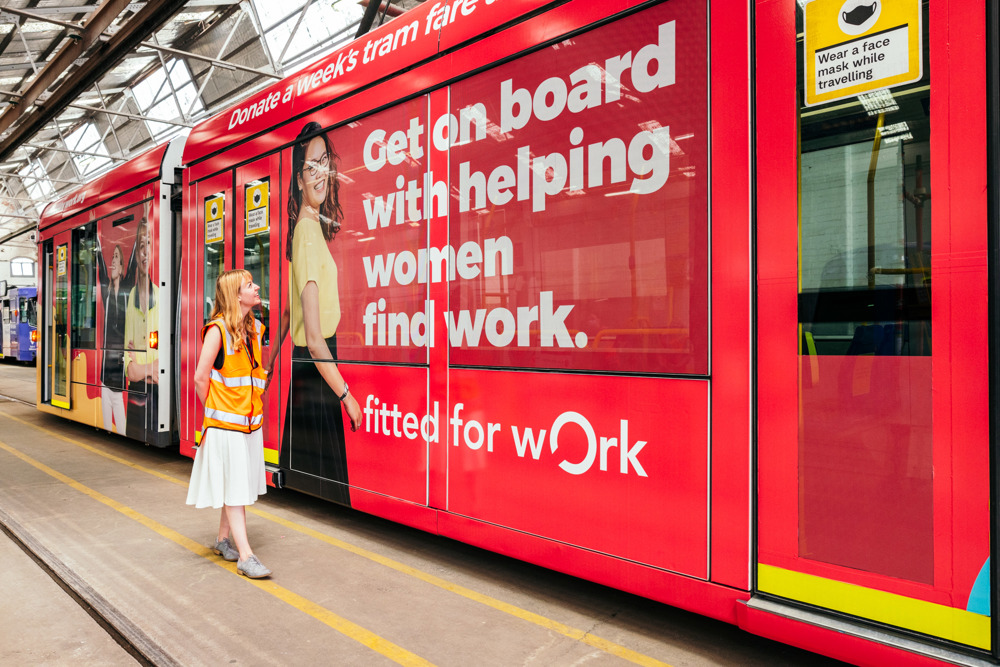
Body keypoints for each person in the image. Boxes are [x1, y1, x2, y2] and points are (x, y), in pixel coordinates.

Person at [268, 121, 361, 506]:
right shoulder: (307, 232)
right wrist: (346, 395)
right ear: (299, 179)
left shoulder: (308, 229)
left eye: (324, 162)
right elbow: (315, 338)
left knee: (311, 489)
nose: (320, 172)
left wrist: (269, 363)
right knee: (326, 489)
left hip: (309, 370)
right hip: (319, 372)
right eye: (311, 166)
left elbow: (289, 311)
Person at [186, 269, 271, 579]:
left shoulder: (254, 329)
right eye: (249, 284)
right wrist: (216, 411)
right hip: (226, 426)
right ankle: (246, 556)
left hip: (249, 425)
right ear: (237, 295)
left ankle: (223, 540)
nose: (257, 287)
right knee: (236, 489)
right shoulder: (217, 330)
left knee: (236, 484)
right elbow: (200, 377)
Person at [123, 214, 159, 441]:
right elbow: (129, 368)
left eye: (149, 244)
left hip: (157, 397)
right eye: (141, 245)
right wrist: (148, 368)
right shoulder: (130, 298)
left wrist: (140, 367)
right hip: (135, 395)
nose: (145, 251)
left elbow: (162, 369)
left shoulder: (162, 296)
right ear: (136, 254)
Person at [98, 241, 132, 435]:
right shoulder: (107, 292)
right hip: (106, 371)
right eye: (111, 257)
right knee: (106, 424)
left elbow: (134, 263)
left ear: (121, 267)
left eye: (116, 258)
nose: (112, 261)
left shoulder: (127, 289)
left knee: (121, 423)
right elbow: (101, 267)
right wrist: (96, 241)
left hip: (119, 370)